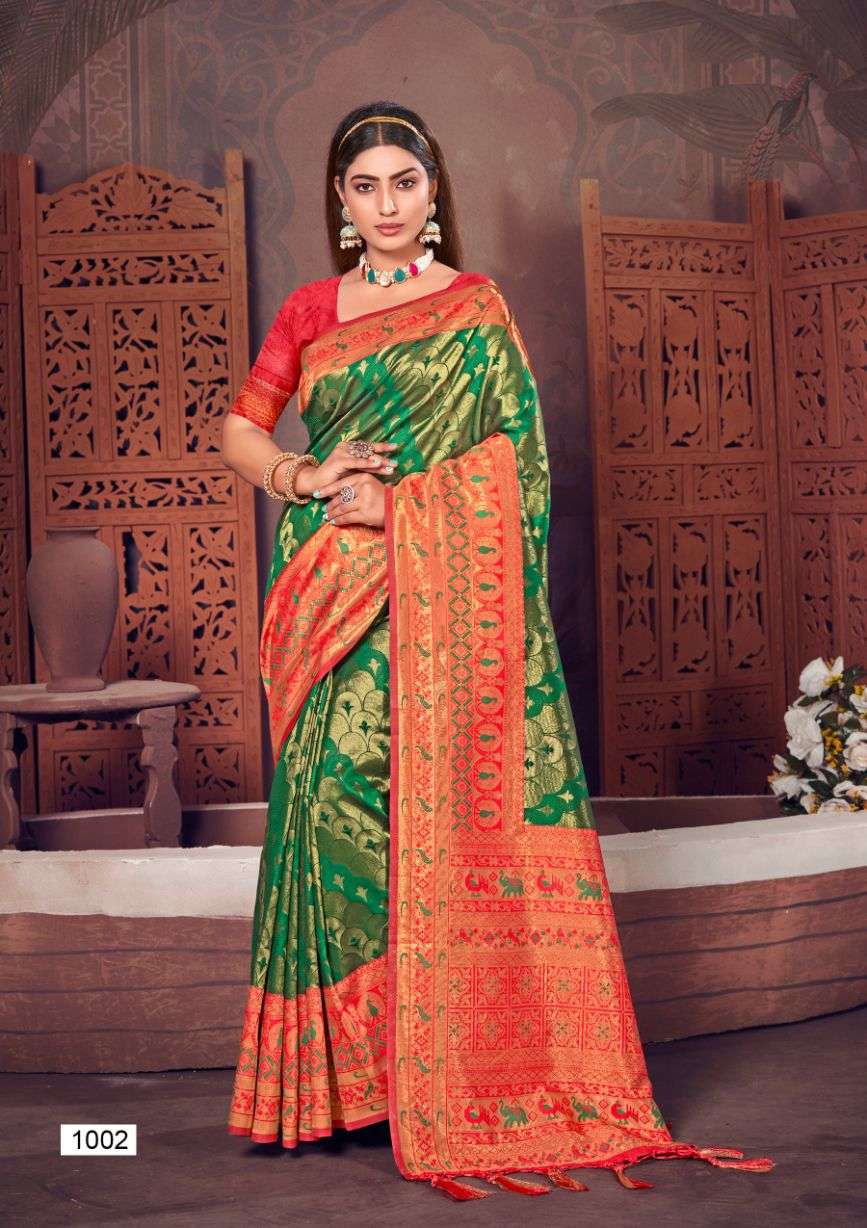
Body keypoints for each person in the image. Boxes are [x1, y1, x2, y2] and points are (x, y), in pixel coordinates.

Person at [220, 101, 774, 1201]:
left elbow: (519, 469)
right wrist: (305, 476)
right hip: (334, 600)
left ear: (433, 192)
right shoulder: (310, 310)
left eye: (404, 183)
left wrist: (403, 509)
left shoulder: (474, 307)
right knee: (326, 809)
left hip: (443, 608)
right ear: (340, 200)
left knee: (425, 816)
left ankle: (451, 1069)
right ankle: (353, 1081)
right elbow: (243, 425)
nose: (386, 204)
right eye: (365, 186)